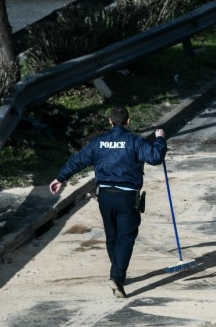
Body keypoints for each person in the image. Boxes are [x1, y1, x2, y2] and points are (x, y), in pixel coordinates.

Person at [49, 107, 167, 299]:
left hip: (104, 197)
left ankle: (116, 272)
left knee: (112, 236)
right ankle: (117, 277)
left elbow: (78, 161)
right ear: (128, 122)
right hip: (127, 197)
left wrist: (60, 178)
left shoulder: (98, 142)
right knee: (126, 237)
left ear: (110, 122)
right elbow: (155, 157)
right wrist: (160, 139)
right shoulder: (135, 141)